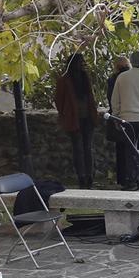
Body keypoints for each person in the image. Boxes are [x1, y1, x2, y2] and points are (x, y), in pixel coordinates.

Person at [108, 47, 139, 187]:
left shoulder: (122, 78)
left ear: (131, 61)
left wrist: (116, 116)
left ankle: (131, 179)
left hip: (127, 118)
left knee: (130, 150)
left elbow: (115, 100)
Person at [53, 52, 98, 187]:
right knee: (79, 148)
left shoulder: (85, 78)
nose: (82, 65)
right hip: (74, 119)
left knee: (87, 148)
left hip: (87, 118)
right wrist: (66, 114)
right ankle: (82, 177)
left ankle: (89, 176)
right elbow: (59, 100)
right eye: (80, 62)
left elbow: (90, 97)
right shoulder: (65, 80)